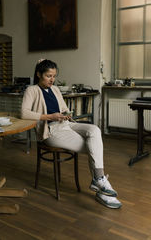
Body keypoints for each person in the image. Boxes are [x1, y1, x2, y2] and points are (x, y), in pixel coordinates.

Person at [21, 59, 122, 209]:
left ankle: (99, 181)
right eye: (48, 76)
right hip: (51, 131)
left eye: (54, 76)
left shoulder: (55, 89)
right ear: (38, 74)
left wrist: (66, 114)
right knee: (92, 146)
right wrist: (50, 117)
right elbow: (24, 113)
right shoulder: (32, 90)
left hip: (66, 124)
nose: (52, 79)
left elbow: (63, 108)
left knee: (94, 130)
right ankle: (101, 186)